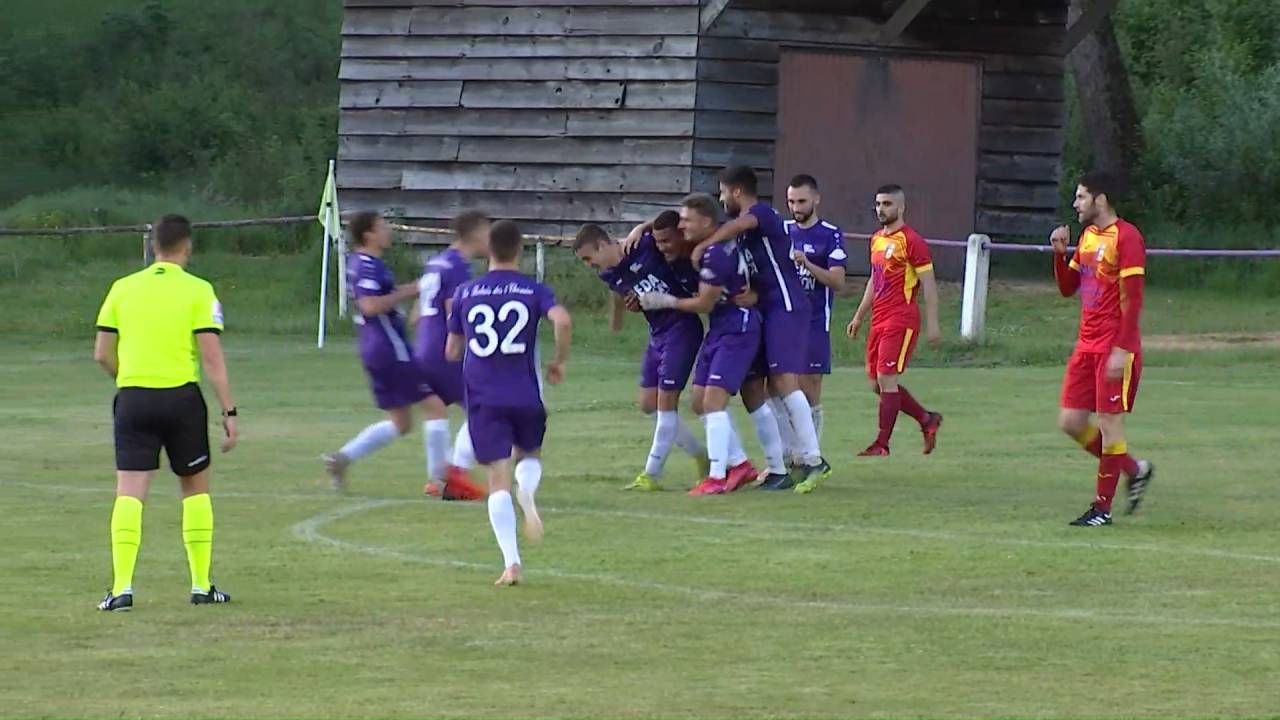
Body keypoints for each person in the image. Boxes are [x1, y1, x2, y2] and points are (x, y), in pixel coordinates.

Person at [92, 214, 238, 611]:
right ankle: (201, 585)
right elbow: (211, 358)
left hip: (134, 399)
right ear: (187, 247)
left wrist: (129, 379)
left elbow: (102, 353)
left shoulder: (122, 289)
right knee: (194, 489)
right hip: (181, 400)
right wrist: (229, 410)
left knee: (130, 493)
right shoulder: (198, 290)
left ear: (153, 246)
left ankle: (121, 588)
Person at [688, 166, 831, 493]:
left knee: (785, 381)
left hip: (787, 304)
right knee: (767, 388)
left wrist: (704, 245)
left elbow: (740, 224)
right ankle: (782, 466)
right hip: (765, 308)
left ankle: (814, 459)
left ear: (736, 191)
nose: (721, 198)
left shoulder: (761, 214)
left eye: (723, 191)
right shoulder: (740, 232)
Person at [446, 220, 573, 585]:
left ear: (489, 250)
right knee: (529, 455)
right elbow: (562, 320)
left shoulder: (466, 293)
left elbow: (452, 351)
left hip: (485, 397)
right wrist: (558, 362)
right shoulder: (533, 289)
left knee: (495, 478)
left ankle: (511, 562)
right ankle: (528, 492)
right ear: (518, 250)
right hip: (525, 393)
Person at [640, 193, 763, 495]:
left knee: (713, 402)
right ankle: (740, 464)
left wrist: (666, 301)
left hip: (737, 327)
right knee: (699, 402)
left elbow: (705, 303)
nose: (682, 226)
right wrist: (638, 229)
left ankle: (718, 476)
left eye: (687, 220)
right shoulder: (708, 247)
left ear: (706, 222)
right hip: (720, 328)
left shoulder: (716, 253)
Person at [1050, 171, 1155, 527]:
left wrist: (1123, 349)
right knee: (1071, 421)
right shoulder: (1089, 236)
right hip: (1086, 344)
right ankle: (1133, 469)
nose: (1075, 204)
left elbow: (1134, 299)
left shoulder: (1126, 238)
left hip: (1114, 344)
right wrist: (1060, 254)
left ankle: (1101, 509)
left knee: (1110, 423)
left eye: (1080, 197)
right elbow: (1069, 288)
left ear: (1101, 199)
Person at [573, 216, 708, 491]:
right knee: (648, 403)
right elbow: (624, 293)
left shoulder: (642, 245)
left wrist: (642, 226)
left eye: (589, 258)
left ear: (602, 245)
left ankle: (651, 474)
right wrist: (623, 313)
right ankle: (701, 455)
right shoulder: (609, 274)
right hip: (657, 333)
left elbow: (667, 220)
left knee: (665, 402)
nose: (590, 266)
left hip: (681, 327)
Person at [323, 212, 450, 492]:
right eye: (382, 227)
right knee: (436, 407)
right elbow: (369, 306)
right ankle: (440, 482)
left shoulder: (365, 264)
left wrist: (413, 290)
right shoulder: (366, 265)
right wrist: (412, 291)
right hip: (389, 348)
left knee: (401, 422)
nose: (388, 231)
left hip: (374, 348)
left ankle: (342, 458)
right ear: (369, 234)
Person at [846, 185, 944, 460]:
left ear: (900, 207)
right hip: (879, 319)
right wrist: (859, 315)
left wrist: (933, 323)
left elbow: (928, 284)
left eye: (887, 204)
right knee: (876, 385)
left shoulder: (912, 241)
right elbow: (874, 280)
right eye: (878, 203)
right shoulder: (877, 239)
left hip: (901, 319)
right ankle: (927, 419)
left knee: (886, 379)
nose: (881, 209)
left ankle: (881, 444)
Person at [411, 210, 489, 501]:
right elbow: (453, 310)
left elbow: (417, 313)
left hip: (424, 347)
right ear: (478, 233)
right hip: (446, 350)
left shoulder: (435, 262)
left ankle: (436, 478)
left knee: (436, 409)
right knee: (485, 405)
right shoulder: (458, 266)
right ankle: (455, 473)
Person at [783, 174, 848, 468]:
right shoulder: (782, 231)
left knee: (809, 390)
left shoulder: (830, 234)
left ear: (816, 199)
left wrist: (807, 263)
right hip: (783, 323)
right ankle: (788, 457)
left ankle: (811, 455)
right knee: (784, 389)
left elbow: (837, 281)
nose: (796, 207)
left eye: (801, 201)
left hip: (814, 322)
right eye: (791, 201)